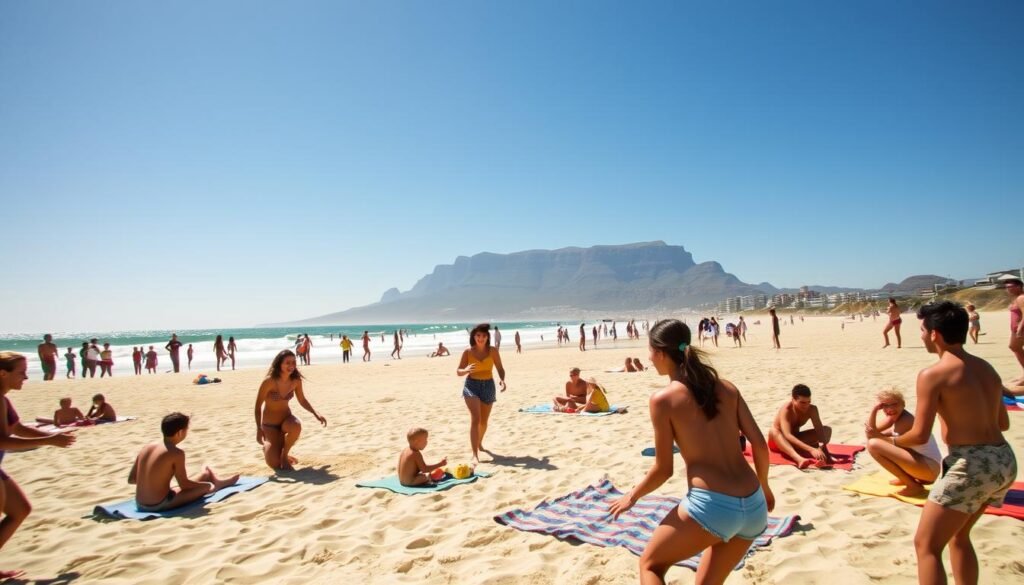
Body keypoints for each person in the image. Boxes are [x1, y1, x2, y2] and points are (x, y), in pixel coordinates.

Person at [608, 320, 773, 584]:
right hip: (754, 506)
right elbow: (760, 445)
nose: (649, 359)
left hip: (712, 507)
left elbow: (663, 470)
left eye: (650, 351)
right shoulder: (727, 388)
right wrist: (764, 487)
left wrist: (632, 496)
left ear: (661, 353)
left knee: (650, 565)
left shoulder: (663, 400)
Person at [879, 301, 1015, 585]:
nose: (921, 335)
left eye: (922, 330)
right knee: (959, 535)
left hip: (971, 464)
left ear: (934, 335)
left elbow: (918, 434)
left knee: (926, 546)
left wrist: (889, 439)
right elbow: (1003, 423)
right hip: (1003, 460)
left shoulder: (933, 374)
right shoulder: (986, 368)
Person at [0, 352, 76, 566]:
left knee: (20, 510)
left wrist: (51, 437)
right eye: (21, 373)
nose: (25, 377)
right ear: (3, 373)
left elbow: (17, 428)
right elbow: (2, 441)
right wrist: (50, 441)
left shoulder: (4, 400)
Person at [129, 412, 238, 512]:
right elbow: (184, 484)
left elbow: (132, 479)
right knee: (208, 487)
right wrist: (206, 484)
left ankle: (208, 476)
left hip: (140, 503)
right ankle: (216, 485)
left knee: (204, 476)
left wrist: (154, 484)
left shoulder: (147, 447)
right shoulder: (176, 453)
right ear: (180, 432)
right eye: (186, 430)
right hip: (158, 504)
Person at [254, 350, 327, 471]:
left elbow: (302, 400)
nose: (291, 365)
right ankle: (273, 449)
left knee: (296, 425)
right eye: (287, 363)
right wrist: (258, 428)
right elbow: (257, 407)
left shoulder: (296, 380)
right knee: (274, 464)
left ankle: (284, 455)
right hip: (270, 426)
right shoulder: (269, 382)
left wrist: (316, 413)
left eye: (293, 362)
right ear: (279, 364)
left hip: (286, 421)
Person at [863, 387, 941, 497]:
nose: (890, 409)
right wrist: (874, 410)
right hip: (926, 467)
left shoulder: (906, 420)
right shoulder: (894, 417)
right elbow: (870, 433)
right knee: (874, 441)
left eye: (894, 404)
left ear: (903, 404)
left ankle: (912, 485)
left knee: (873, 445)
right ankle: (906, 479)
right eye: (885, 405)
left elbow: (896, 443)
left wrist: (877, 436)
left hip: (930, 469)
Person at [456, 323, 507, 466]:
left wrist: (502, 380)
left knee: (483, 422)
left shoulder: (493, 351)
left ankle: (479, 443)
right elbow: (458, 371)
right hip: (471, 385)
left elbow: (500, 368)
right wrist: (465, 370)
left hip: (488, 385)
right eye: (478, 335)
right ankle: (474, 454)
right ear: (474, 337)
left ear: (487, 337)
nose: (481, 338)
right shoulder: (467, 352)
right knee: (475, 419)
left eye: (484, 336)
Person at [767, 384, 833, 469]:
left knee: (827, 430)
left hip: (795, 441)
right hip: (778, 443)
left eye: (808, 402)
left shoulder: (812, 409)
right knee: (773, 431)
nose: (806, 405)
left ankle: (818, 457)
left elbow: (819, 430)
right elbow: (787, 435)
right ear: (793, 399)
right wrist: (811, 449)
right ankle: (799, 459)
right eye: (802, 402)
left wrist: (822, 450)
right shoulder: (786, 410)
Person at [1006, 278, 1024, 384]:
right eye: (1006, 287)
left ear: (1019, 286)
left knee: (1014, 347)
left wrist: (1020, 329)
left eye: (1010, 287)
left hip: (1020, 329)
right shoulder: (1017, 298)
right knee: (1015, 347)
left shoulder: (1021, 298)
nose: (1008, 289)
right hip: (1016, 329)